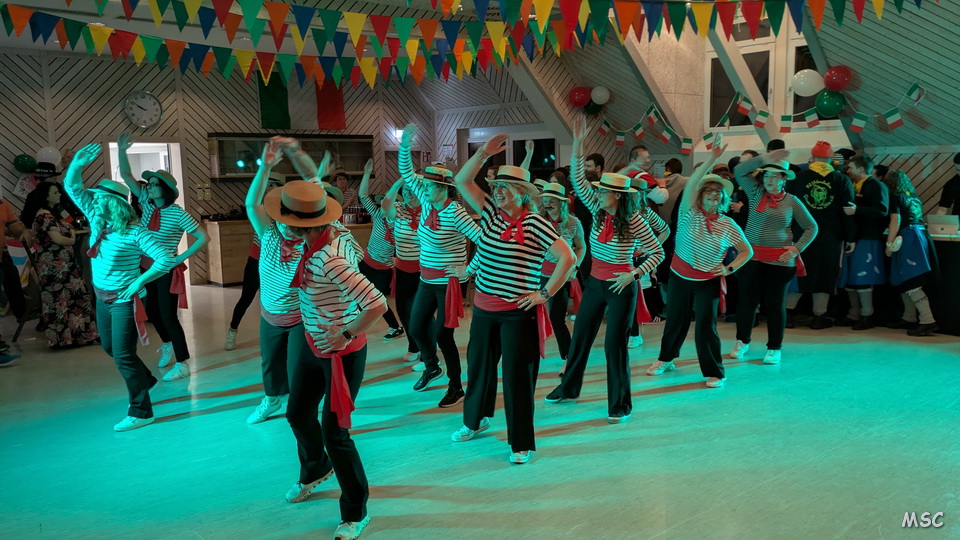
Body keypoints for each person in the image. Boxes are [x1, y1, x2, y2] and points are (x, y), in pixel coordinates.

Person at [267, 180, 385, 540]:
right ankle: (315, 470)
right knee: (297, 413)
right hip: (310, 344)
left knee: (336, 434)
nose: (279, 225)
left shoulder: (329, 257)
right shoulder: (316, 242)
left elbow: (377, 303)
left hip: (340, 354)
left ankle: (355, 511)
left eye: (284, 220)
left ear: (300, 225)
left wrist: (347, 332)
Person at [449, 134, 574, 465]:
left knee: (518, 379)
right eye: (496, 186)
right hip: (484, 309)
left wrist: (544, 293)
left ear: (521, 193)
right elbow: (461, 180)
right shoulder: (489, 211)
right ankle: (475, 421)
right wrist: (483, 153)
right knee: (478, 369)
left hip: (518, 312)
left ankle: (522, 443)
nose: (497, 191)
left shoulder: (535, 223)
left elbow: (567, 258)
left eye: (504, 187)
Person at [545, 117, 664, 423]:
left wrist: (634, 275)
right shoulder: (598, 212)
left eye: (603, 192)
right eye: (598, 192)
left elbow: (657, 251)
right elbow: (578, 179)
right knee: (581, 337)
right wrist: (579, 144)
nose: (597, 195)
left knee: (614, 347)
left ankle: (620, 403)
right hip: (595, 283)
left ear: (618, 196)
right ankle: (569, 388)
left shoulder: (635, 219)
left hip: (621, 286)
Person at [63, 143, 175, 431]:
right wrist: (77, 163)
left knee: (124, 354)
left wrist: (138, 281)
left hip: (127, 298)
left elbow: (164, 259)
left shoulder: (134, 232)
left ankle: (141, 410)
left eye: (98, 199)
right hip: (103, 296)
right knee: (111, 349)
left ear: (113, 204)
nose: (92, 202)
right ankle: (145, 379)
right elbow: (73, 187)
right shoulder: (97, 219)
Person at [645, 140, 753, 387]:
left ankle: (715, 371)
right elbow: (693, 181)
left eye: (718, 192)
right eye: (709, 190)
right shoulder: (687, 213)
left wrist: (729, 268)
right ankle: (666, 359)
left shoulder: (727, 224)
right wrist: (712, 160)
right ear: (700, 195)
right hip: (679, 277)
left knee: (706, 328)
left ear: (723, 197)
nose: (713, 194)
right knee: (675, 321)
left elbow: (746, 250)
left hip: (708, 281)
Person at [399, 124, 482, 408]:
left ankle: (456, 385)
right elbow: (407, 175)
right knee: (416, 326)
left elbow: (485, 241)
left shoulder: (456, 214)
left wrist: (468, 271)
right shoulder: (426, 201)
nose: (423, 187)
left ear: (444, 189)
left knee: (442, 334)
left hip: (449, 282)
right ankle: (432, 367)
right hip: (427, 278)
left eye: (430, 185)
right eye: (424, 184)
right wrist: (405, 144)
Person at [117, 133, 209, 382]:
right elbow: (127, 177)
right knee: (153, 313)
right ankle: (168, 344)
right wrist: (123, 150)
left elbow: (203, 238)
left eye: (155, 184)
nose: (150, 187)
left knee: (168, 316)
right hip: (145, 268)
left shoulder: (178, 213)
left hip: (166, 268)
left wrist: (181, 260)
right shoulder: (147, 204)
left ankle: (183, 363)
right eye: (150, 184)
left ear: (166, 190)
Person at [239, 139, 307, 425]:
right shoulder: (268, 236)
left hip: (301, 317)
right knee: (269, 363)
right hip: (271, 314)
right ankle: (271, 399)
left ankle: (302, 405)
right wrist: (265, 168)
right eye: (280, 218)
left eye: (290, 219)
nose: (284, 223)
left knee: (298, 367)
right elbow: (251, 203)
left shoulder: (310, 244)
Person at [729, 153, 818, 365]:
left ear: (784, 179)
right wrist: (765, 158)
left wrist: (796, 249)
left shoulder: (792, 201)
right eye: (766, 175)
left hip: (779, 260)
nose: (769, 180)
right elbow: (740, 171)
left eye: (775, 176)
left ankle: (774, 347)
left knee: (775, 304)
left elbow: (812, 227)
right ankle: (742, 341)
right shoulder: (755, 192)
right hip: (751, 258)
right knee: (747, 303)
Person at [784, 141, 856, 329]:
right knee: (825, 274)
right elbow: (848, 211)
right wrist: (851, 237)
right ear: (831, 159)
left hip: (801, 234)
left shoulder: (797, 178)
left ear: (812, 158)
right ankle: (819, 317)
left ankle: (788, 315)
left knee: (799, 271)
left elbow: (787, 207)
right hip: (831, 236)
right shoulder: (842, 180)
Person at [20, 181, 98, 349]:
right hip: (55, 266)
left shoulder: (53, 214)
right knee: (61, 300)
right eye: (55, 193)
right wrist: (71, 238)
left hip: (62, 264)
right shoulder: (44, 215)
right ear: (46, 196)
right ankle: (63, 338)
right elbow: (59, 238)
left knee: (74, 298)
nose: (60, 195)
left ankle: (76, 336)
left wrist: (70, 236)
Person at [225, 172, 286, 351]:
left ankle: (276, 335)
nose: (269, 187)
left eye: (274, 184)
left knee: (274, 300)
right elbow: (252, 203)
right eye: (267, 184)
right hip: (256, 260)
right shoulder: (260, 208)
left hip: (277, 263)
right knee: (246, 297)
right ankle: (232, 330)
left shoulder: (286, 211)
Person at [836, 155, 889, 330]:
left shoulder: (876, 185)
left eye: (850, 167)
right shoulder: (853, 186)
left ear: (861, 169)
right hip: (855, 237)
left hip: (868, 237)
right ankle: (854, 313)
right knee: (851, 277)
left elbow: (882, 210)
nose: (847, 171)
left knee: (863, 275)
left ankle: (867, 315)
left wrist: (857, 210)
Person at [883, 169, 939, 336]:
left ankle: (928, 320)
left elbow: (896, 220)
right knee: (906, 279)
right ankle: (909, 317)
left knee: (911, 280)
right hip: (921, 235)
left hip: (908, 237)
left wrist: (889, 243)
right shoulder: (914, 197)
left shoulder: (895, 197)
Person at [539, 182, 586, 376]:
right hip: (538, 274)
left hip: (563, 276)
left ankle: (568, 358)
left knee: (556, 318)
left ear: (561, 203)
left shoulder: (573, 223)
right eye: (545, 201)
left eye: (552, 201)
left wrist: (575, 267)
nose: (548, 204)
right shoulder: (538, 220)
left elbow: (581, 247)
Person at [357, 158, 405, 342]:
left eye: (388, 204)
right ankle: (356, 328)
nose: (384, 206)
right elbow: (363, 196)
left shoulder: (402, 225)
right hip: (365, 263)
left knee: (377, 300)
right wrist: (367, 173)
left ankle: (394, 327)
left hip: (383, 270)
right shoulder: (378, 216)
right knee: (357, 295)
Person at [382, 178, 422, 365]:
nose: (408, 192)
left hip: (426, 270)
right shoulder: (398, 208)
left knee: (422, 312)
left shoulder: (430, 209)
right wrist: (398, 182)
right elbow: (384, 207)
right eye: (405, 189)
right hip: (403, 268)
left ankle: (425, 349)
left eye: (411, 189)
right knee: (404, 311)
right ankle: (413, 346)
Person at [0, 196, 31, 354]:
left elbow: (14, 228)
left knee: (13, 280)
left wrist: (24, 230)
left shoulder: (2, 203)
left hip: (2, 255)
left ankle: (20, 312)